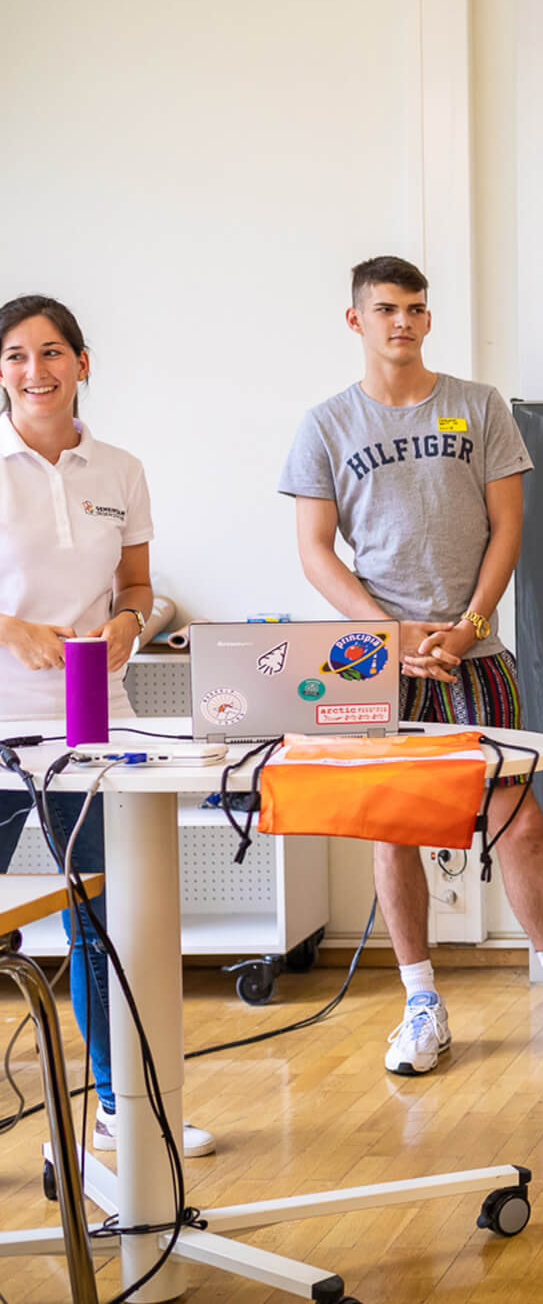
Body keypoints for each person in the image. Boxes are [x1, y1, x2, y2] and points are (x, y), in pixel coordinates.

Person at [280, 256, 543, 1078]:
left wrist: (468, 624)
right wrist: (393, 635)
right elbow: (315, 552)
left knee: (518, 823)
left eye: (415, 308)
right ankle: (420, 1005)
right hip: (379, 664)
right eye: (385, 310)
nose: (402, 322)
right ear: (356, 321)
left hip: (476, 653)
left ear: (428, 317)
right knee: (392, 831)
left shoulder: (478, 407)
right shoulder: (325, 424)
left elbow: (506, 528)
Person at [0, 295, 215, 1156]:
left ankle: (124, 1101)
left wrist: (134, 622)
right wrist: (10, 629)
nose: (36, 371)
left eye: (53, 353)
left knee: (102, 915)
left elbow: (136, 588)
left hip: (93, 723)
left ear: (83, 364)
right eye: (17, 356)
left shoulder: (120, 469)